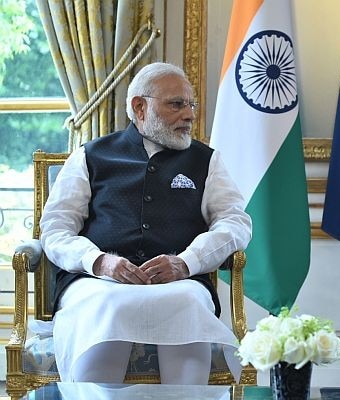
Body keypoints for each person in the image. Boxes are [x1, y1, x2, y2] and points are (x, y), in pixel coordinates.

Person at [39, 62, 252, 384]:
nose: (189, 115)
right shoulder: (90, 156)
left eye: (190, 104)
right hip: (97, 283)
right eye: (177, 104)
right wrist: (99, 261)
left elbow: (235, 222)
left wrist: (186, 262)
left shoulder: (206, 160)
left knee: (186, 302)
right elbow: (55, 228)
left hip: (179, 283)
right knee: (109, 304)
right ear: (140, 107)